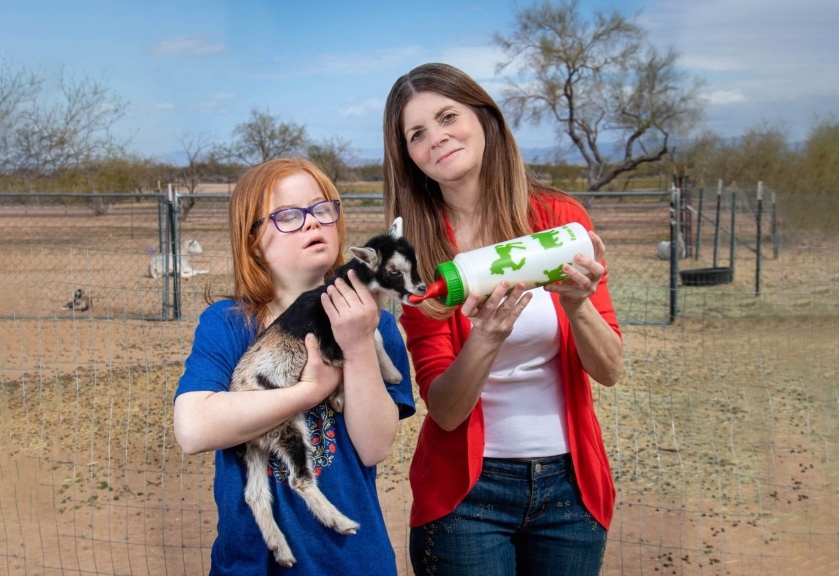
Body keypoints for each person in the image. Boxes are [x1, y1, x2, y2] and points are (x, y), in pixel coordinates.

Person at [382, 63, 623, 575]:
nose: (437, 139)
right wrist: (487, 336)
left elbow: (609, 369)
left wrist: (578, 305)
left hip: (570, 492)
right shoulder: (417, 260)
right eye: (417, 134)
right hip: (468, 498)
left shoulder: (560, 220)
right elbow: (445, 411)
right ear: (409, 158)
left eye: (449, 116)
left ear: (485, 118)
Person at [173, 158, 415, 576]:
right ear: (252, 241)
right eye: (288, 215)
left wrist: (358, 344)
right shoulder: (230, 323)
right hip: (251, 565)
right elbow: (193, 429)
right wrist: (307, 392)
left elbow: (375, 446)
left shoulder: (373, 322)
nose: (311, 223)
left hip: (352, 563)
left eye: (322, 209)